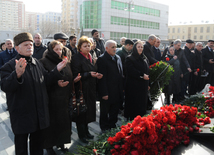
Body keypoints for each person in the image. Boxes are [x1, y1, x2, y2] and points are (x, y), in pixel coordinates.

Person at [0, 32, 67, 155]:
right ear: (17, 48)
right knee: (21, 147)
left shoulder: (37, 63)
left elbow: (45, 80)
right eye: (25, 45)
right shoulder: (9, 66)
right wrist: (17, 75)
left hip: (39, 114)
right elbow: (5, 86)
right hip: (22, 115)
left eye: (31, 44)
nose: (29, 46)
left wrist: (57, 70)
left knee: (37, 146)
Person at [40, 40, 80, 154]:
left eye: (60, 49)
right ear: (50, 50)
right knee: (52, 124)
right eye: (56, 49)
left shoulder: (65, 61)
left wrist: (74, 80)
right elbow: (43, 81)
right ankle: (49, 146)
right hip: (51, 99)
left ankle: (61, 143)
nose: (58, 52)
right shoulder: (43, 62)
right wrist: (56, 83)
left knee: (63, 123)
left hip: (64, 98)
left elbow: (68, 76)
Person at [72, 36, 103, 143]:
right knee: (81, 112)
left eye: (89, 45)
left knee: (88, 111)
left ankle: (86, 132)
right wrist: (89, 74)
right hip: (81, 89)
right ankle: (81, 134)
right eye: (85, 46)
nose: (87, 48)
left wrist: (96, 74)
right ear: (79, 47)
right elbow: (76, 74)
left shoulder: (91, 55)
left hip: (90, 88)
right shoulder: (76, 58)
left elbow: (92, 70)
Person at [97, 40, 123, 133]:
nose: (115, 49)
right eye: (112, 47)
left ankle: (112, 124)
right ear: (106, 48)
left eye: (115, 47)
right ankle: (104, 127)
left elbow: (121, 74)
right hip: (107, 90)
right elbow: (101, 79)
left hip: (117, 90)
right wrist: (104, 93)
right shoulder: (102, 59)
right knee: (105, 110)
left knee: (115, 109)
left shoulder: (118, 58)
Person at [124, 41, 149, 121]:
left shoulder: (144, 58)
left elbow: (147, 71)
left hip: (143, 85)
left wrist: (148, 83)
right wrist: (141, 75)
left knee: (142, 104)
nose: (140, 48)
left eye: (142, 47)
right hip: (133, 86)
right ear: (135, 48)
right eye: (139, 47)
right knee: (133, 104)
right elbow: (131, 70)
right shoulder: (130, 58)